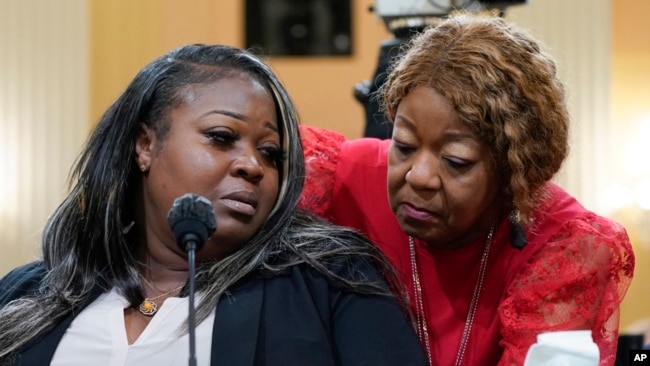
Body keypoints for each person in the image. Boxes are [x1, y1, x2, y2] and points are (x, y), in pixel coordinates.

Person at [0, 44, 429, 366]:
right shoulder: (27, 294)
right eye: (222, 138)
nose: (252, 166)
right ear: (145, 145)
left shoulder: (330, 280)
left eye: (271, 154)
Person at [298, 12, 635, 366]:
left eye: (456, 161)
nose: (418, 176)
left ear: (513, 171)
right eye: (405, 145)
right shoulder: (336, 179)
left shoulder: (563, 247)